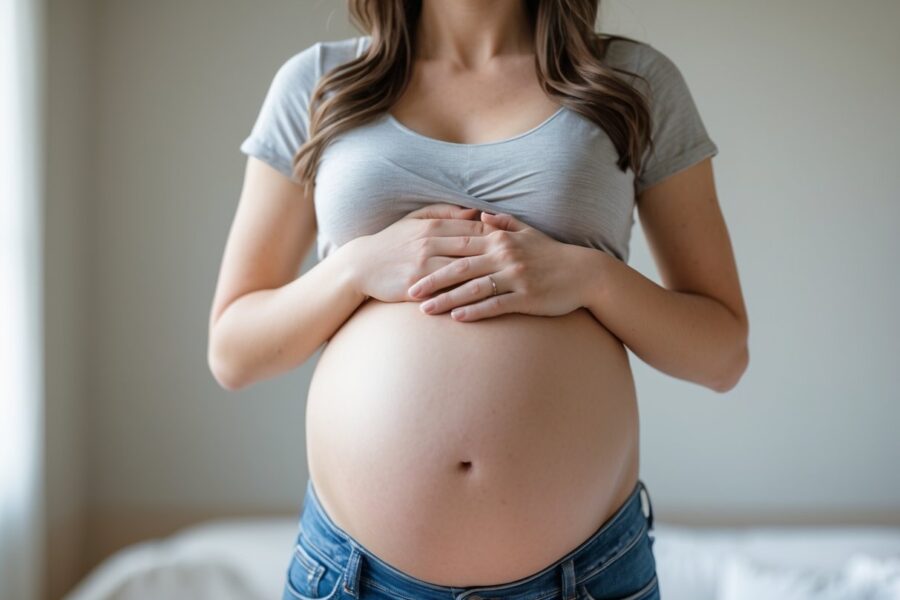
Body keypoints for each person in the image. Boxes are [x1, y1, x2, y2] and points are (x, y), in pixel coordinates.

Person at [209, 1, 749, 598]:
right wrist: (354, 270)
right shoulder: (318, 84)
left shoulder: (632, 81)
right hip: (354, 578)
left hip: (586, 577)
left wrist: (592, 278)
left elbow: (722, 354)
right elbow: (233, 352)